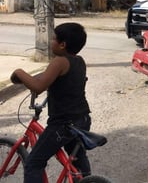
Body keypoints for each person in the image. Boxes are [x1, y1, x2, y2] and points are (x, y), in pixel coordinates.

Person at [10, 23, 91, 182]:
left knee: (34, 163)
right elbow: (50, 77)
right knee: (77, 158)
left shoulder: (59, 61)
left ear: (62, 44)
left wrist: (19, 72)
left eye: (54, 38)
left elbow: (39, 87)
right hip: (82, 120)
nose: (51, 41)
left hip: (63, 125)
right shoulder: (79, 61)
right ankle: (88, 179)